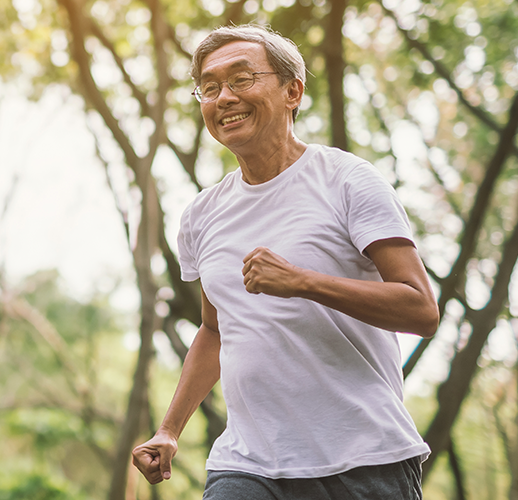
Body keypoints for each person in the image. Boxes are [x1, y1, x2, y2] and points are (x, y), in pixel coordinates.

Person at [131, 24, 439, 499]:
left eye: (241, 80)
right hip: (248, 464)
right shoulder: (201, 216)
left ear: (292, 91)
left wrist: (303, 282)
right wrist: (170, 428)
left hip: (364, 459)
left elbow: (420, 309)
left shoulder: (347, 181)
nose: (224, 97)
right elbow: (215, 330)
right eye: (209, 88)